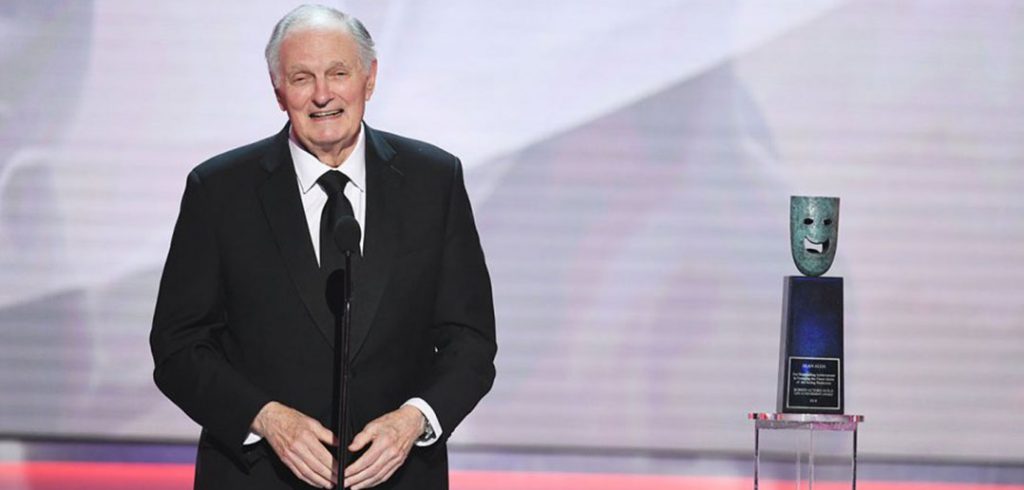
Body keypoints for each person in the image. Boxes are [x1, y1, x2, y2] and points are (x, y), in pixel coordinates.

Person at [149, 5, 496, 489]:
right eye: (301, 77)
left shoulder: (433, 181)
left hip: (396, 477)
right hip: (258, 476)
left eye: (338, 73)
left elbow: (471, 341)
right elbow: (178, 345)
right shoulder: (220, 190)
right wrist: (267, 419)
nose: (322, 95)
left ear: (369, 79)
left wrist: (414, 420)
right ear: (278, 91)